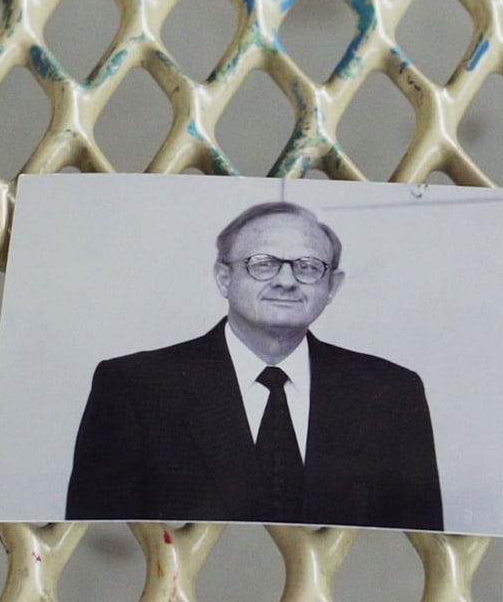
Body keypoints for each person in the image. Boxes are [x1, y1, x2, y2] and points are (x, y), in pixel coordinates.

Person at [65, 201, 444, 530]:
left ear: (332, 287)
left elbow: (421, 542)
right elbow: (94, 540)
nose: (285, 281)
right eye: (262, 264)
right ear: (224, 278)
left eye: (308, 267)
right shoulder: (135, 387)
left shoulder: (391, 392)